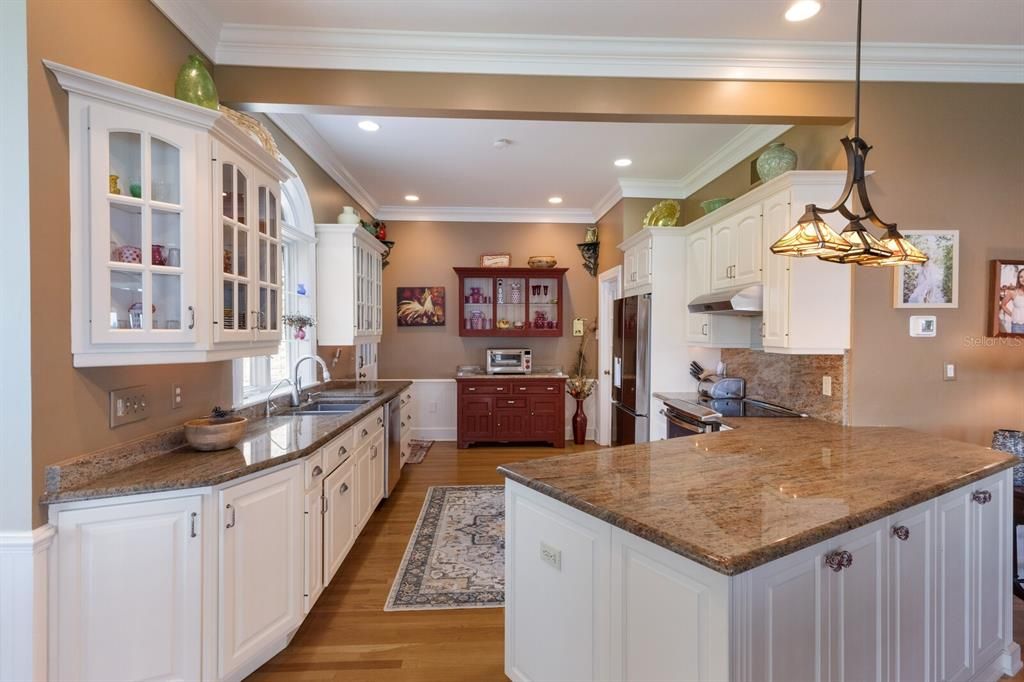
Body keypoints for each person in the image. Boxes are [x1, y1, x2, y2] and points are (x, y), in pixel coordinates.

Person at [1001, 267, 1024, 334]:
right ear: (1018, 279)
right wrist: (1012, 314)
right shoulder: (1012, 293)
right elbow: (1003, 305)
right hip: (1017, 326)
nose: (1023, 279)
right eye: (1021, 277)